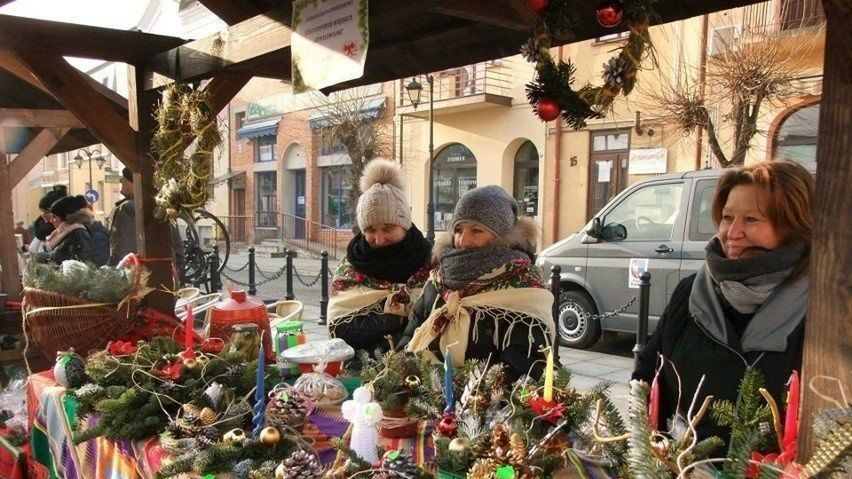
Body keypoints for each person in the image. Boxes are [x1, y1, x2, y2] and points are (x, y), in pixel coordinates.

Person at [633, 160, 814, 445]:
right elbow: (649, 372)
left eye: (751, 219)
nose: (732, 232)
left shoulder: (816, 308)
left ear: (793, 226)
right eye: (728, 217)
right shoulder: (691, 291)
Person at [397, 185, 555, 382]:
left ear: (502, 235)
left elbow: (524, 362)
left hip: (487, 405)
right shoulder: (439, 279)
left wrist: (463, 390)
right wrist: (399, 369)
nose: (464, 241)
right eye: (458, 230)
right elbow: (412, 333)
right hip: (423, 393)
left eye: (477, 230)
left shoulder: (522, 284)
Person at [328, 159, 433, 354]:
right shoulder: (351, 266)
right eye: (370, 230)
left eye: (388, 228)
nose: (379, 238)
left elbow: (437, 323)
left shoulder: (429, 261)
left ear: (405, 224)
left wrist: (380, 320)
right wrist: (403, 316)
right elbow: (341, 329)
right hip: (360, 367)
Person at [107, 167, 184, 269]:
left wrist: (112, 271)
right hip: (166, 274)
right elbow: (178, 248)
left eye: (124, 177)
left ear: (133, 182)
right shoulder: (164, 207)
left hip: (139, 277)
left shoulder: (127, 208)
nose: (121, 180)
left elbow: (122, 251)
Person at [40, 195, 94, 264]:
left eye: (54, 217)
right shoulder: (64, 233)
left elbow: (79, 265)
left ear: (64, 217)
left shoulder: (78, 233)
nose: (51, 221)